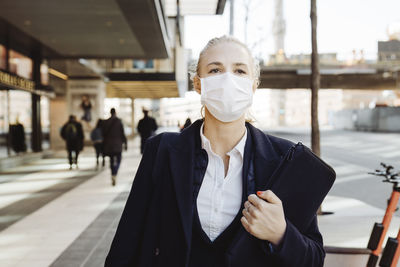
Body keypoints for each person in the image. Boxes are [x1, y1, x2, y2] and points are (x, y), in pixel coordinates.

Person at [105, 36, 328, 267]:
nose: (228, 80)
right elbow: (126, 244)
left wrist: (281, 234)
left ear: (254, 85)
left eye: (240, 71)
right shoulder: (161, 151)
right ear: (198, 84)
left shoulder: (285, 160)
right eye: (215, 70)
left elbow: (314, 259)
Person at [102, 108, 127, 186]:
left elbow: (103, 134)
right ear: (115, 113)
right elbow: (122, 133)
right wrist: (125, 143)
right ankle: (115, 172)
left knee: (111, 160)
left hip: (109, 145)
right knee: (119, 159)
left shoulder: (105, 122)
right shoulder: (119, 121)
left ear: (110, 113)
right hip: (118, 144)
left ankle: (113, 173)